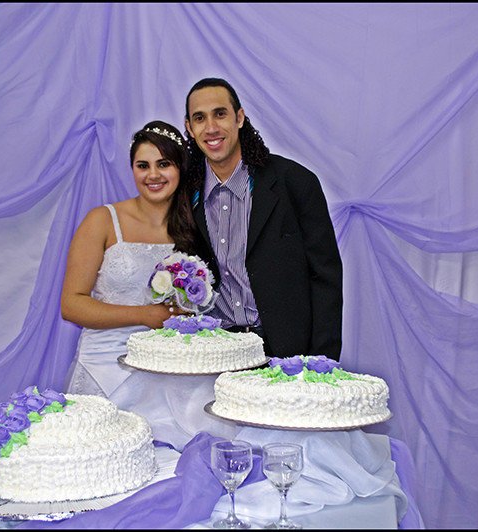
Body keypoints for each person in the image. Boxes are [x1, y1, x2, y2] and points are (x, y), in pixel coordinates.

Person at [183, 78, 343, 360]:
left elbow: (325, 277)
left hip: (286, 356)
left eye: (220, 114)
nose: (211, 128)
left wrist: (322, 359)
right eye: (200, 118)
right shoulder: (185, 194)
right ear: (189, 128)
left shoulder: (294, 182)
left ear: (239, 118)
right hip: (214, 355)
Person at [61, 121, 196, 396]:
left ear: (180, 167)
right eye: (143, 165)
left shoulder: (194, 227)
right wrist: (144, 315)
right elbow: (71, 305)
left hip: (169, 363)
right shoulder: (102, 220)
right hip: (105, 364)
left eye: (164, 164)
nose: (153, 175)